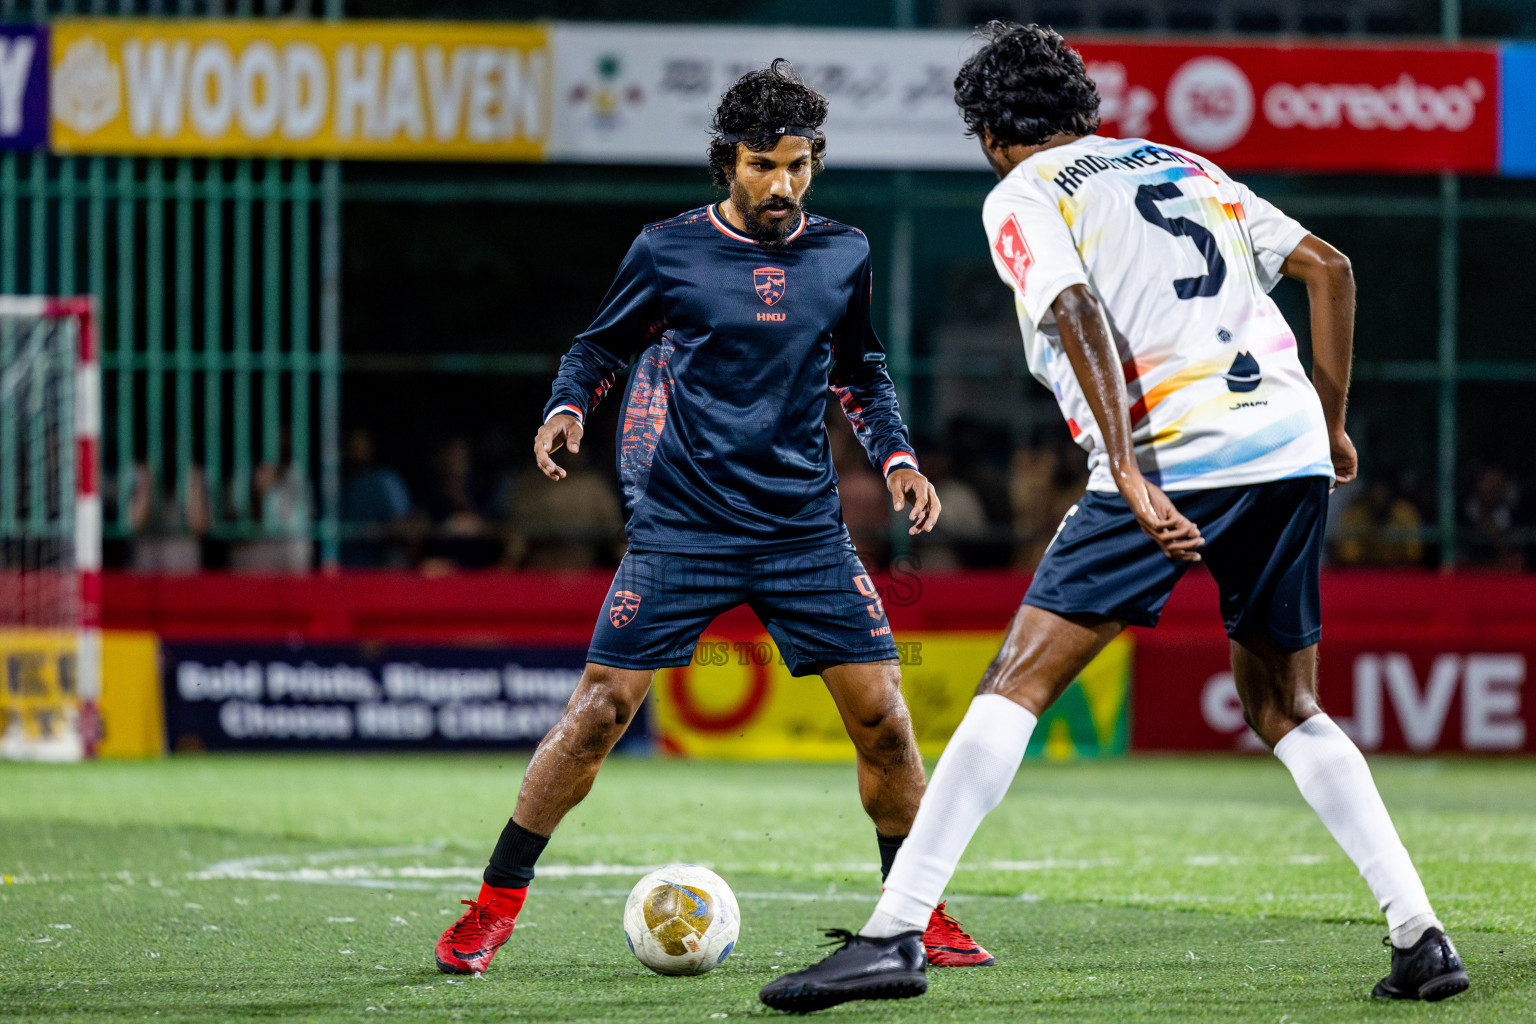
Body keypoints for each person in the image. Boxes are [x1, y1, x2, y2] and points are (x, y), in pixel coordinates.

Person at [760, 23, 1467, 1012]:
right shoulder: (1190, 165)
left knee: (1015, 682)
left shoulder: (1026, 189)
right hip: (1287, 447)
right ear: (1083, 108)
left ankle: (894, 934)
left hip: (1177, 454)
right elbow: (1331, 269)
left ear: (991, 135)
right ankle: (1420, 934)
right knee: (1285, 704)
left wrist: (1130, 472)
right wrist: (1333, 426)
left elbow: (1075, 309)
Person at [432, 59, 993, 977]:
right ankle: (492, 907)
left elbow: (862, 370)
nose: (783, 184)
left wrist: (897, 457)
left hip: (803, 531)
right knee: (598, 715)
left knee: (886, 723)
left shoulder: (842, 251)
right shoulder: (668, 249)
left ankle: (915, 915)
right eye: (765, 165)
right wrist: (568, 407)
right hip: (683, 526)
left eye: (800, 165)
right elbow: (599, 347)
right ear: (726, 162)